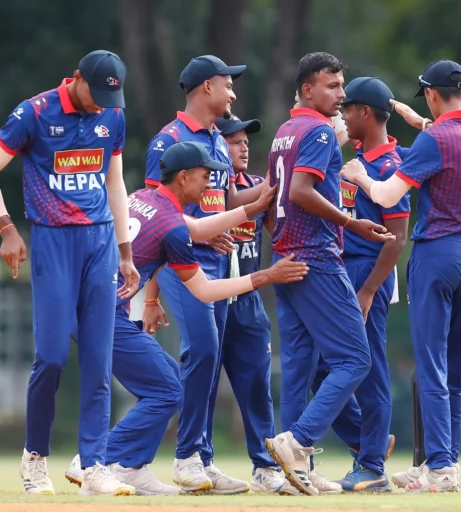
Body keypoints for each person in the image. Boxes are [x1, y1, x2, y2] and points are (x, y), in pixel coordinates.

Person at [60, 141, 306, 495]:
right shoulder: (172, 229)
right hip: (98, 316)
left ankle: (131, 467)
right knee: (167, 389)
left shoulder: (145, 197)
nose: (210, 184)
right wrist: (266, 275)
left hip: (87, 309)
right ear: (184, 177)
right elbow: (204, 290)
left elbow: (194, 226)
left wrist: (250, 209)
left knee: (165, 385)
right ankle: (93, 459)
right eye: (206, 176)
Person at [0, 50, 140, 496]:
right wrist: (7, 230)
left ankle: (95, 465)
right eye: (96, 93)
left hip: (101, 242)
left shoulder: (113, 116)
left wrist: (125, 251)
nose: (101, 103)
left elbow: (115, 182)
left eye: (110, 97)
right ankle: (35, 458)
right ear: (77, 78)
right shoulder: (35, 112)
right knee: (51, 357)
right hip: (53, 241)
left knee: (99, 359)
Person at [341, 59, 461, 494]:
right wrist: (422, 123)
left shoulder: (435, 139)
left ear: (431, 94)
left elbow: (386, 194)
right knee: (453, 365)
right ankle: (439, 457)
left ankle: (442, 467)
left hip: (437, 254)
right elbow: (455, 143)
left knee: (431, 365)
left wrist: (359, 176)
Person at [263, 52, 395, 497]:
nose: (341, 94)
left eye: (342, 86)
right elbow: (300, 191)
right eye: (332, 86)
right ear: (307, 89)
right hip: (317, 258)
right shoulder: (319, 131)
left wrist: (281, 240)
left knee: (299, 369)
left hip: (287, 258)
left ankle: (295, 472)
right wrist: (350, 223)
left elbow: (274, 198)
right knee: (356, 360)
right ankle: (298, 443)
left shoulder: (285, 131)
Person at [143, 55, 264, 494]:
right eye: (228, 84)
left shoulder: (216, 139)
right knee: (205, 351)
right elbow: (156, 212)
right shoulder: (168, 140)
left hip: (218, 266)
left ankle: (203, 459)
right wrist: (151, 298)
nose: (233, 92)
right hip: (182, 264)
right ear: (206, 87)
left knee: (209, 361)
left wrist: (275, 189)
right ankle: (185, 457)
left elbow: (227, 202)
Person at [323, 76, 410, 493]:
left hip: (368, 271)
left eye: (348, 108)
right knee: (323, 367)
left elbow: (398, 238)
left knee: (371, 366)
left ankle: (373, 464)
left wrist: (370, 289)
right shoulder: (355, 158)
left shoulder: (390, 165)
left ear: (366, 113)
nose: (343, 115)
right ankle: (367, 441)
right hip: (342, 269)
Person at [211, 114, 287, 493]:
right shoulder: (205, 190)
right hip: (210, 299)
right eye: (234, 141)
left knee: (258, 385)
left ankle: (265, 467)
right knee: (202, 386)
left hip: (248, 300)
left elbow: (278, 230)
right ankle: (199, 461)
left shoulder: (259, 186)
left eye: (245, 141)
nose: (244, 147)